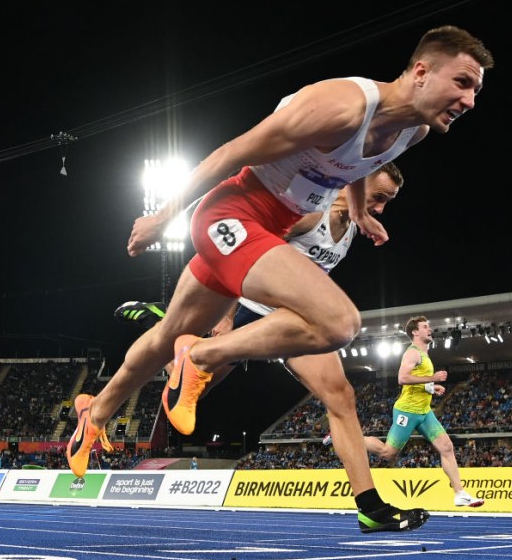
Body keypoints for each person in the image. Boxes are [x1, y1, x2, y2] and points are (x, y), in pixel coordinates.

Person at [65, 26, 494, 536]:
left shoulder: (412, 130)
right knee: (340, 323)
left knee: (169, 335)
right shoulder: (339, 106)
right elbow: (230, 153)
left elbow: (364, 162)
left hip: (266, 235)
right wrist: (163, 216)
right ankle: (201, 356)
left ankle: (94, 415)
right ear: (420, 72)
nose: (470, 101)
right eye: (462, 83)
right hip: (233, 214)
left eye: (476, 90)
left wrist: (361, 212)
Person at [114, 162, 404, 394]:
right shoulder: (312, 215)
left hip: (281, 318)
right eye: (378, 198)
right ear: (356, 183)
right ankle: (157, 320)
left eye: (387, 202)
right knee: (190, 385)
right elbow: (242, 255)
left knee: (338, 392)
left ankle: (169, 328)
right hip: (248, 309)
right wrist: (226, 317)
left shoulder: (352, 229)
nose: (380, 209)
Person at [363, 315, 485, 508]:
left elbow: (415, 380)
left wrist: (430, 387)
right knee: (388, 453)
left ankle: (460, 493)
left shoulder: (424, 354)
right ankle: (348, 438)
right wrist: (432, 378)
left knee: (446, 447)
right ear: (415, 332)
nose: (430, 329)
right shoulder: (412, 353)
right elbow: (402, 378)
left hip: (424, 412)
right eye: (425, 326)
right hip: (407, 411)